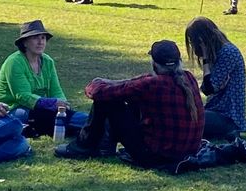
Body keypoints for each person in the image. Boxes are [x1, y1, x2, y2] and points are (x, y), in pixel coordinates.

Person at [56, 39, 204, 167]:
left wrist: (97, 82)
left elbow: (97, 92)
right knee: (129, 99)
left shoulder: (153, 84)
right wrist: (113, 82)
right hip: (185, 153)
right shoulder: (188, 78)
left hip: (154, 157)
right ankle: (103, 145)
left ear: (154, 64)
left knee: (107, 101)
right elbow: (135, 83)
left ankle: (84, 145)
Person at [0, 20, 72, 136]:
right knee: (46, 117)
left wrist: (63, 106)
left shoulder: (48, 62)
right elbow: (22, 96)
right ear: (25, 42)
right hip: (15, 109)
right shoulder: (14, 62)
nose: (40, 42)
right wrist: (52, 102)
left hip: (42, 108)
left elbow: (56, 90)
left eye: (43, 38)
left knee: (67, 116)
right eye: (35, 38)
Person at [185, 17, 246, 140]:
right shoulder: (220, 52)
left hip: (228, 117)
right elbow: (206, 87)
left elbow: (209, 88)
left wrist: (206, 59)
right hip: (216, 111)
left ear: (201, 40)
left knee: (186, 119)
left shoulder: (228, 53)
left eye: (193, 42)